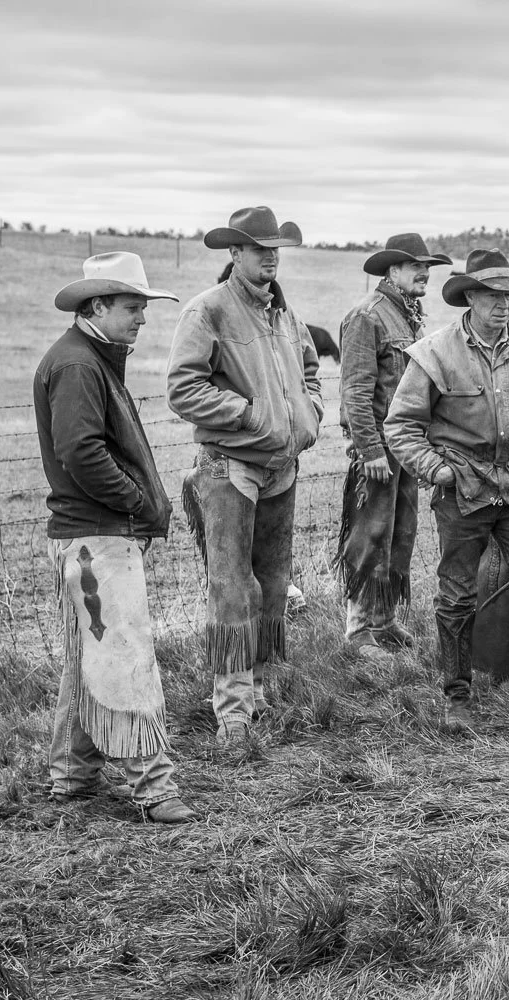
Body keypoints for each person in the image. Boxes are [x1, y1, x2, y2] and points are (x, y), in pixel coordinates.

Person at [36, 252, 196, 822]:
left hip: (93, 534)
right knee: (124, 656)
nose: (142, 318)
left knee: (91, 656)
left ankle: (71, 777)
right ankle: (153, 787)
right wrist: (137, 503)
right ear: (96, 306)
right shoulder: (80, 366)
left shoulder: (91, 358)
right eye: (133, 307)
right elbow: (80, 452)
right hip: (96, 537)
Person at [383, 248, 509, 734]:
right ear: (469, 297)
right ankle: (457, 698)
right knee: (457, 594)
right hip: (461, 490)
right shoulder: (435, 353)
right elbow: (401, 427)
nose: (502, 304)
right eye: (491, 295)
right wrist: (438, 471)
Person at [168, 206, 323, 740]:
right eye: (259, 249)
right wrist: (251, 415)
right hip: (229, 466)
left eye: (275, 249)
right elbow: (183, 389)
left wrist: (308, 414)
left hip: (282, 465)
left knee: (274, 584)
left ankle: (257, 690)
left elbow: (308, 370)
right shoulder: (207, 310)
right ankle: (232, 710)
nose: (270, 258)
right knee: (233, 587)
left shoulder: (285, 315)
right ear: (234, 253)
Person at [336, 234, 452, 664]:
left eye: (426, 266)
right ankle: (360, 629)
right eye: (413, 265)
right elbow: (355, 392)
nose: (423, 272)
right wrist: (370, 451)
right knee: (371, 534)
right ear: (392, 271)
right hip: (379, 450)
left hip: (405, 447)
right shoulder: (367, 317)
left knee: (401, 534)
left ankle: (383, 620)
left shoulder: (410, 318)